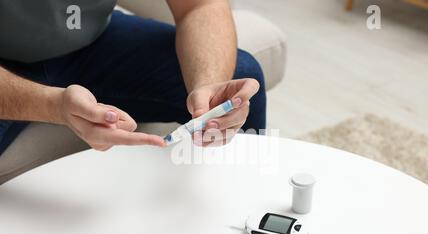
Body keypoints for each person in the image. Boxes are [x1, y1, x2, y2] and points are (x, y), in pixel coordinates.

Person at [0, 0, 266, 155]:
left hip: (91, 40)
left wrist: (208, 86)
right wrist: (52, 105)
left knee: (239, 76)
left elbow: (199, 5)